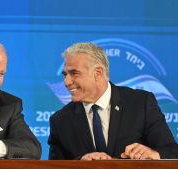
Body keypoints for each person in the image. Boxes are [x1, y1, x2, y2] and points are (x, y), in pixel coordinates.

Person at [48, 42, 178, 160]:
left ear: (98, 73)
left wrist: (153, 153)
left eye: (74, 73)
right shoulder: (60, 121)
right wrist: (80, 164)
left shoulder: (141, 104)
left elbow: (171, 151)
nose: (67, 82)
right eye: (65, 75)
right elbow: (54, 166)